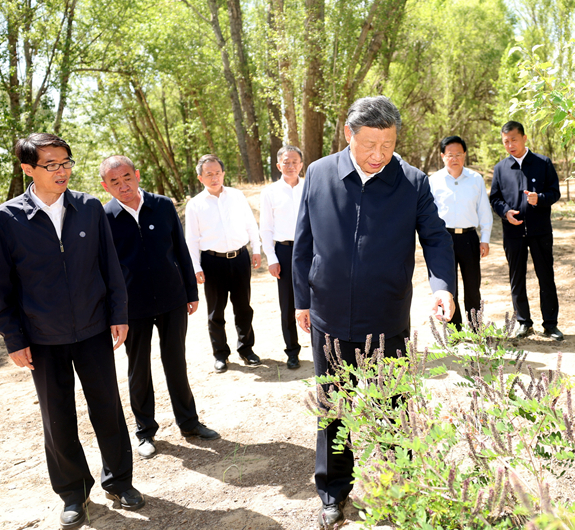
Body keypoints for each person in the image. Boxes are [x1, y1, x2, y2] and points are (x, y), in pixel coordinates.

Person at [292, 96, 456, 528]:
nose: (379, 154)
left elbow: (436, 238)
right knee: (333, 408)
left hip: (386, 320)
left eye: (388, 144)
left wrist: (441, 287)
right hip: (327, 317)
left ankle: (398, 488)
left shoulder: (412, 182)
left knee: (392, 407)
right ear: (349, 135)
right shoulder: (320, 173)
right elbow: (303, 241)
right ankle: (333, 492)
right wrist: (301, 300)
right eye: (370, 144)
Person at [0, 134, 144, 530]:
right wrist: (13, 337)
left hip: (93, 329)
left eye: (66, 162)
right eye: (51, 165)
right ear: (28, 169)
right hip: (41, 337)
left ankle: (119, 481)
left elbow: (109, 266)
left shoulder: (89, 207)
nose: (62, 171)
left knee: (107, 406)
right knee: (57, 418)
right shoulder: (5, 219)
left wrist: (118, 313)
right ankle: (74, 492)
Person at [100, 156, 220, 460]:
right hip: (132, 308)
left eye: (127, 177)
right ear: (105, 186)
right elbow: (104, 269)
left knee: (175, 362)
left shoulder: (163, 205)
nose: (123, 185)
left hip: (172, 300)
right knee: (138, 369)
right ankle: (145, 432)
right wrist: (114, 312)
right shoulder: (104, 217)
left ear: (137, 175)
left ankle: (189, 423)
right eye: (114, 182)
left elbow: (180, 248)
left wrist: (191, 291)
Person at [185, 154, 263, 372]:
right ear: (200, 178)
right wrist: (196, 267)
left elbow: (250, 224)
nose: (214, 177)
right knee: (215, 312)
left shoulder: (237, 196)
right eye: (208, 174)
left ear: (223, 174)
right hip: (212, 262)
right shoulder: (195, 205)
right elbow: (190, 240)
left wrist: (256, 249)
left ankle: (246, 349)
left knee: (243, 307)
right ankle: (220, 354)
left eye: (217, 173)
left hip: (240, 258)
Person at [489, 121, 563, 340]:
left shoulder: (543, 163)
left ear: (524, 138)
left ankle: (550, 324)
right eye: (505, 141)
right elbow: (495, 198)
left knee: (546, 277)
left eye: (513, 139)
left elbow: (555, 192)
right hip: (513, 233)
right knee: (516, 278)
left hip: (540, 231)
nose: (510, 145)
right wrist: (505, 213)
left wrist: (539, 198)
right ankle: (524, 322)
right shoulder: (501, 168)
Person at [429, 135, 493, 328]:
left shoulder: (475, 179)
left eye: (458, 154)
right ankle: (454, 330)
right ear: (442, 156)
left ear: (465, 154)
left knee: (473, 286)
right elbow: (428, 213)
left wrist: (486, 238)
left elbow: (484, 210)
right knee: (449, 287)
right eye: (450, 154)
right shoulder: (434, 180)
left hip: (469, 238)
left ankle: (475, 328)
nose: (454, 158)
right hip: (443, 239)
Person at [259, 145, 304, 370]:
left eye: (295, 161)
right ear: (279, 165)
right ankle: (292, 351)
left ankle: (322, 347)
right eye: (286, 162)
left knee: (317, 299)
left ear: (301, 165)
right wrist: (272, 257)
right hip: (284, 251)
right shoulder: (270, 192)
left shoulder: (310, 186)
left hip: (309, 250)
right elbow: (266, 228)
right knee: (287, 304)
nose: (290, 165)